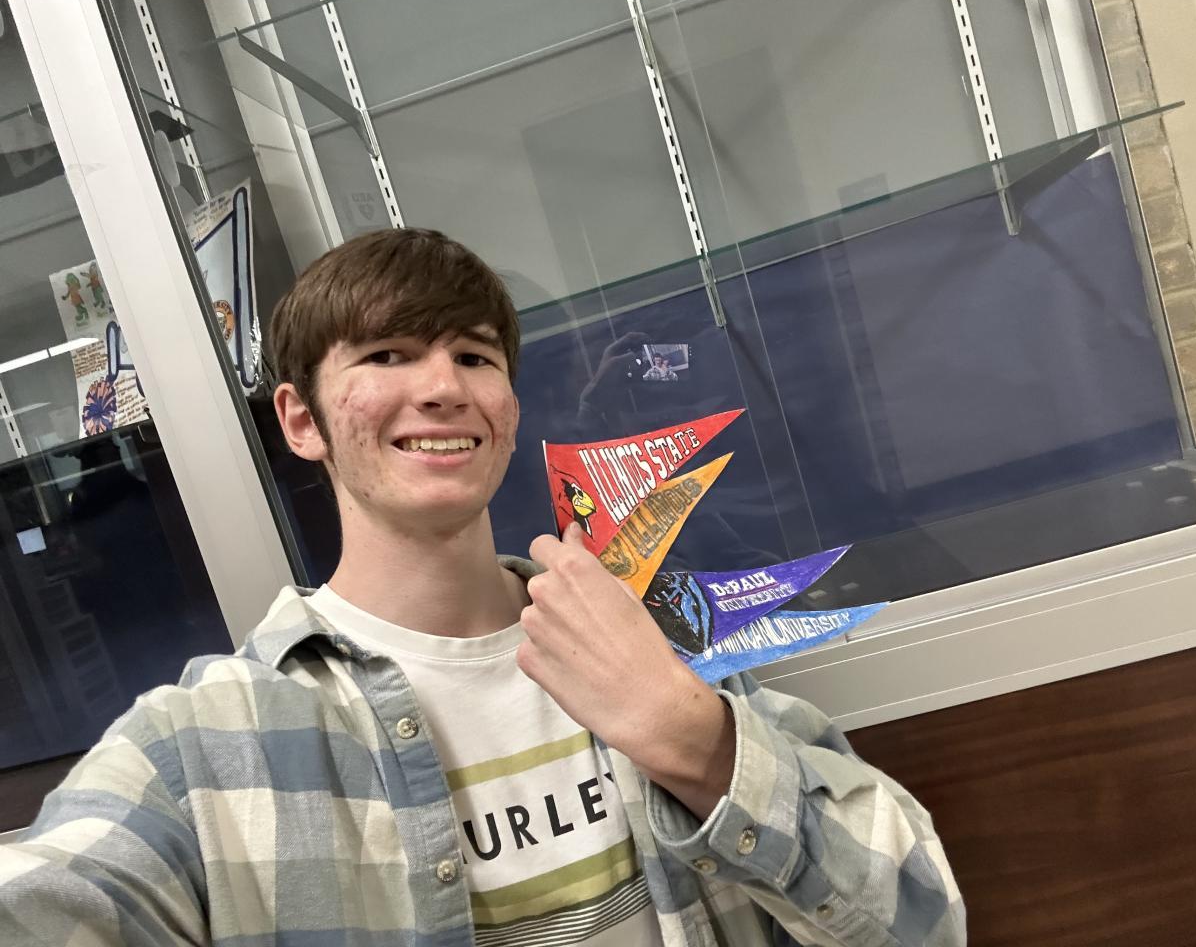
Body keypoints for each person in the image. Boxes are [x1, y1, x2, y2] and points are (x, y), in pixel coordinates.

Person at [0, 229, 965, 946]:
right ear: (300, 420)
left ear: (508, 405)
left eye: (473, 356)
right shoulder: (206, 745)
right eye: (385, 355)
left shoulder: (647, 644)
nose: (442, 386)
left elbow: (920, 917)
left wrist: (698, 744)